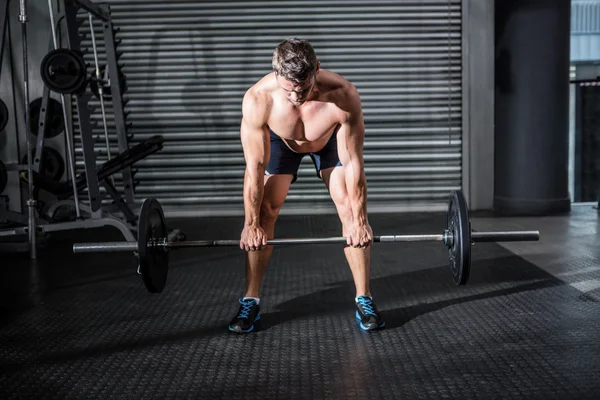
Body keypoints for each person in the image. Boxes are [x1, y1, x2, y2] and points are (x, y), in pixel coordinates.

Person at [228, 38, 385, 333]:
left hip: (327, 140)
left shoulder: (343, 95)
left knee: (350, 208)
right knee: (265, 212)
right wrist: (250, 225)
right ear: (276, 75)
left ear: (317, 70)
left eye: (304, 87)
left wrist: (361, 221)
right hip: (280, 141)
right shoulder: (259, 99)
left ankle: (364, 298)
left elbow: (353, 164)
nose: (297, 95)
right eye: (290, 88)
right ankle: (250, 299)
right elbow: (255, 168)